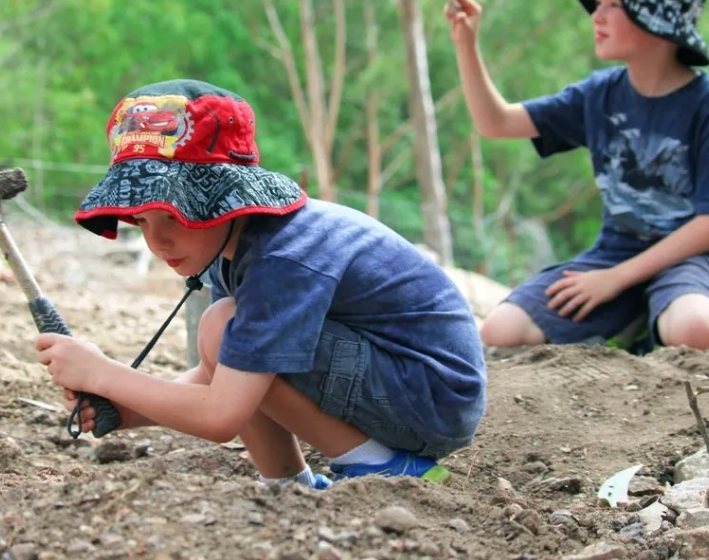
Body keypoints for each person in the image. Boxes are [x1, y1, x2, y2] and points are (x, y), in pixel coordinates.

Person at [35, 79, 486, 488]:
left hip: (432, 394)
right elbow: (224, 372)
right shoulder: (229, 244)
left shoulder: (283, 257)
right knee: (225, 332)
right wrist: (126, 407)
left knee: (220, 324)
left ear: (224, 196)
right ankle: (288, 486)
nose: (157, 241)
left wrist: (104, 373)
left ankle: (379, 464)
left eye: (173, 214)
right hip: (405, 384)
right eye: (140, 220)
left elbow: (220, 416)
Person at [444, 0, 709, 353]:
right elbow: (496, 123)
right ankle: (635, 319)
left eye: (612, 6)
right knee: (500, 331)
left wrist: (616, 280)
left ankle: (657, 317)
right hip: (615, 252)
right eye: (597, 4)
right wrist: (466, 45)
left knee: (695, 331)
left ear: (657, 18)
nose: (596, 16)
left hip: (690, 261)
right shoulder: (599, 95)